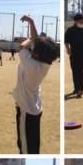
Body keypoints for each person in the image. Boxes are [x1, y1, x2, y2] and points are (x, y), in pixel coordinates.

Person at [12, 15, 58, 154]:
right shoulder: (43, 62)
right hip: (33, 109)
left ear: (37, 53)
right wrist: (31, 22)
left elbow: (22, 46)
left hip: (26, 110)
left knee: (25, 147)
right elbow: (35, 41)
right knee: (32, 145)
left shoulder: (31, 64)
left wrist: (29, 39)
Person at [64, 13, 83, 98]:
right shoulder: (70, 30)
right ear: (76, 21)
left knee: (81, 71)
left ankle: (80, 89)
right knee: (75, 72)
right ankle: (76, 88)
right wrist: (68, 49)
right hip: (74, 54)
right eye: (81, 21)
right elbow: (66, 41)